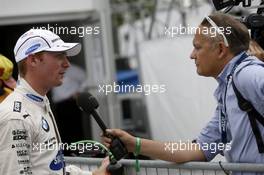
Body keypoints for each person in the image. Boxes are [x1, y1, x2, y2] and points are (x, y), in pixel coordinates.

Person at [102, 13, 264, 171]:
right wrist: (134, 144)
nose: (191, 55)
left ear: (221, 49)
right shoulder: (229, 85)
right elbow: (197, 149)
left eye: (197, 47)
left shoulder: (245, 74)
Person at [0, 29, 109, 175]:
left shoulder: (39, 102)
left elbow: (51, 168)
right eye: (59, 56)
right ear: (33, 60)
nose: (67, 64)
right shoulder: (15, 117)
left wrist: (93, 174)